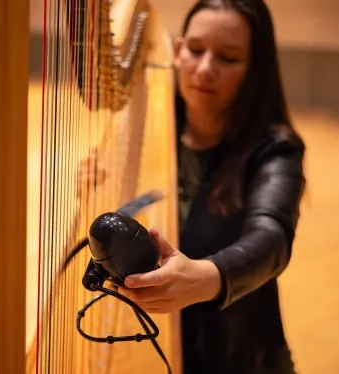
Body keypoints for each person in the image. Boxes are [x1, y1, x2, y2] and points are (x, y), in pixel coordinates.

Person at [114, 0, 307, 373]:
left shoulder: (276, 150)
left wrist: (207, 277)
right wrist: (102, 182)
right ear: (177, 50)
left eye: (228, 58)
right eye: (196, 50)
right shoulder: (148, 129)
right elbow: (138, 215)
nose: (204, 69)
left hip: (237, 356)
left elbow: (272, 238)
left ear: (255, 70)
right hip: (160, 342)